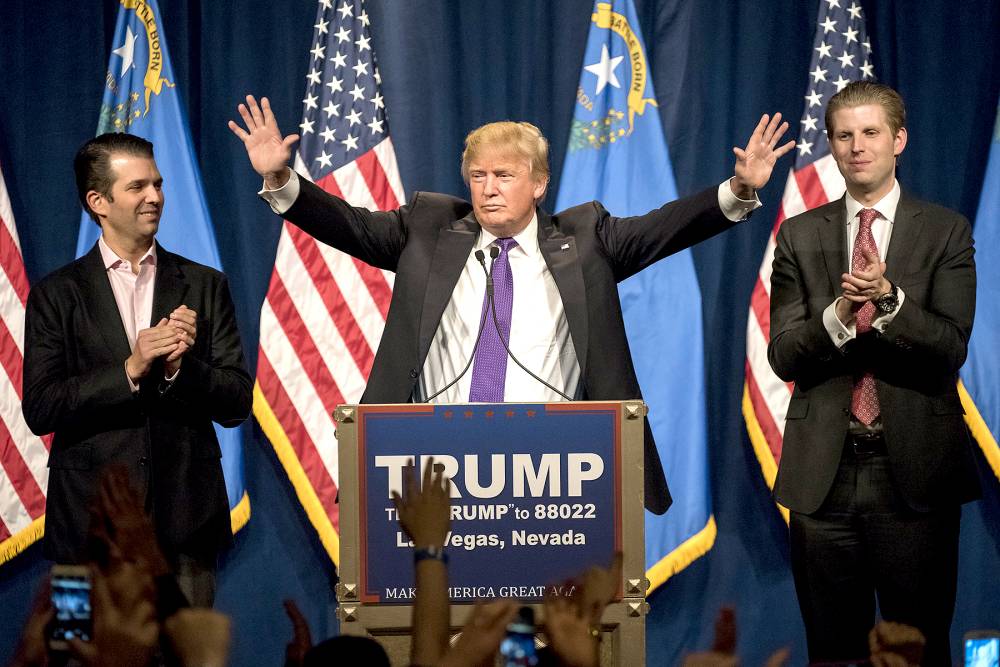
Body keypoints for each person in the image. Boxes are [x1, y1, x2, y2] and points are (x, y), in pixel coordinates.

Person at [229, 95, 792, 515]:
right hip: (435, 457)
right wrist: (281, 178)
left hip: (553, 463)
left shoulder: (588, 238)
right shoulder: (427, 230)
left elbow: (669, 227)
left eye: (504, 175)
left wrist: (740, 190)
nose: (488, 188)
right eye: (478, 176)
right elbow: (346, 224)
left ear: (539, 184)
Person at [768, 81, 979, 664]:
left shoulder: (945, 231)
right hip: (823, 476)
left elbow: (949, 346)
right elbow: (784, 354)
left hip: (912, 472)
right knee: (835, 653)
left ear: (898, 140)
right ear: (832, 148)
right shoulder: (799, 233)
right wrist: (837, 316)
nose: (857, 146)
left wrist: (889, 301)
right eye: (844, 136)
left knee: (917, 648)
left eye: (870, 133)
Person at [22, 133, 253, 607]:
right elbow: (41, 407)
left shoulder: (205, 286)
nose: (155, 197)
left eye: (159, 184)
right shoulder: (56, 294)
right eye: (137, 187)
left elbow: (236, 402)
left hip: (185, 529)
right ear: (98, 201)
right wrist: (131, 367)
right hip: (87, 533)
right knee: (77, 659)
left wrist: (178, 369)